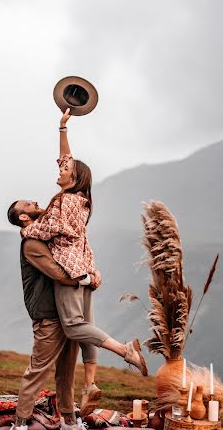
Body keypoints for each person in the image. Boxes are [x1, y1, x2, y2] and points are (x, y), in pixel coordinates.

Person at [18, 108, 148, 379]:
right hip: (85, 267)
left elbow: (52, 227)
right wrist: (63, 128)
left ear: (73, 179)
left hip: (70, 269)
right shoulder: (81, 201)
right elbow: (66, 158)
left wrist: (28, 230)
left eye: (65, 169)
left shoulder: (64, 201)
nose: (61, 167)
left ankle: (126, 351)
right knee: (87, 324)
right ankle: (90, 383)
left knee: (75, 327)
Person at [5, 203, 101, 430]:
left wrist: (91, 273)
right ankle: (18, 427)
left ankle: (68, 422)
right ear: (24, 216)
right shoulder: (31, 244)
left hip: (67, 313)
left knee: (67, 370)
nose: (36, 203)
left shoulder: (46, 237)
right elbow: (58, 273)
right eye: (28, 204)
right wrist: (86, 278)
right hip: (48, 316)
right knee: (38, 370)